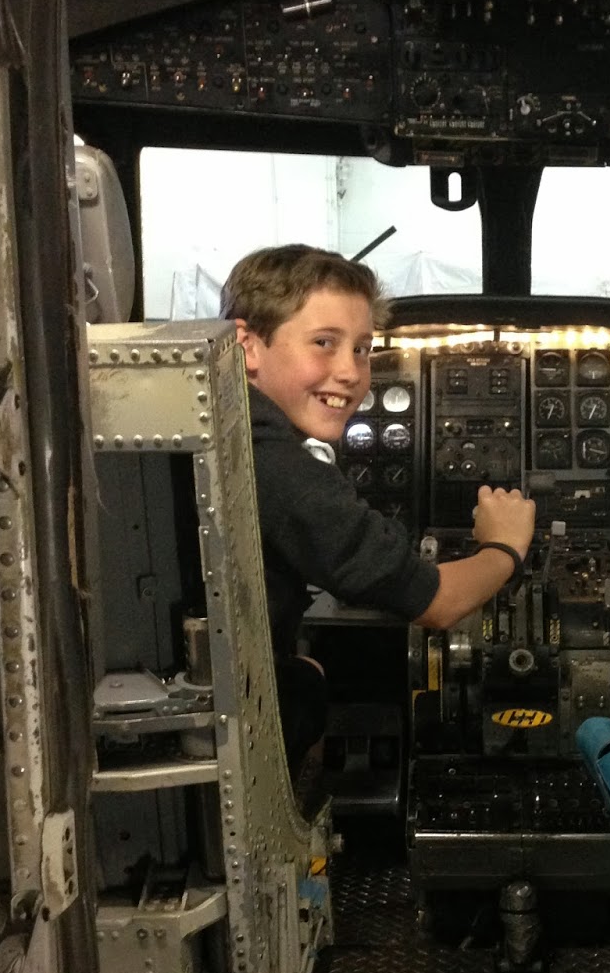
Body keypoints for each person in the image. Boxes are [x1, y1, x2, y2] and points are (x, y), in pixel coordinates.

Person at [220, 243, 536, 782]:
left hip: (229, 684)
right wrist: (504, 546)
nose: (350, 372)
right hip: (239, 716)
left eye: (363, 349)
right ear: (248, 345)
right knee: (309, 679)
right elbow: (436, 602)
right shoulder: (269, 460)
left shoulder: (235, 428)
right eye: (324, 343)